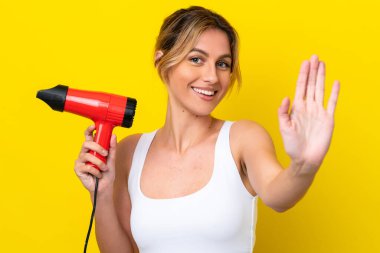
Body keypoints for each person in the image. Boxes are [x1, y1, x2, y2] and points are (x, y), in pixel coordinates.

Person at [74, 6, 340, 253]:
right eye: (197, 59)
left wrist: (303, 165)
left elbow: (278, 195)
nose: (212, 76)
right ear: (162, 62)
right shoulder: (130, 151)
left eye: (222, 64)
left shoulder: (242, 139)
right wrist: (102, 194)